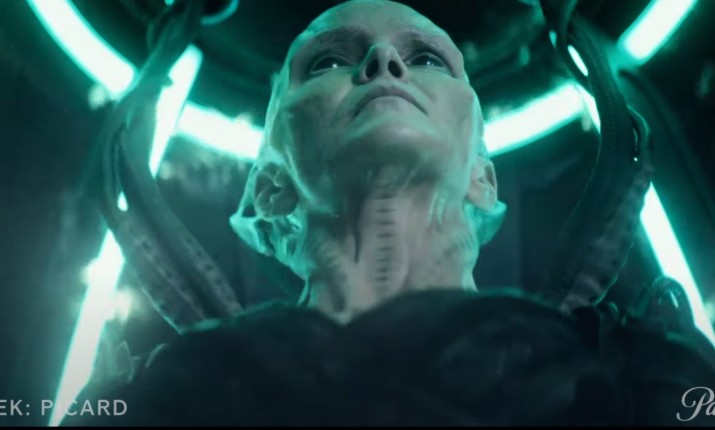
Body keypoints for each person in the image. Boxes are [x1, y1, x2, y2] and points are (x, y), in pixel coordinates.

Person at [65, 0, 715, 426]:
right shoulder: (157, 405)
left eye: (427, 57)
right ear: (269, 188)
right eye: (328, 60)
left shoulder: (640, 379)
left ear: (483, 178)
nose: (385, 62)